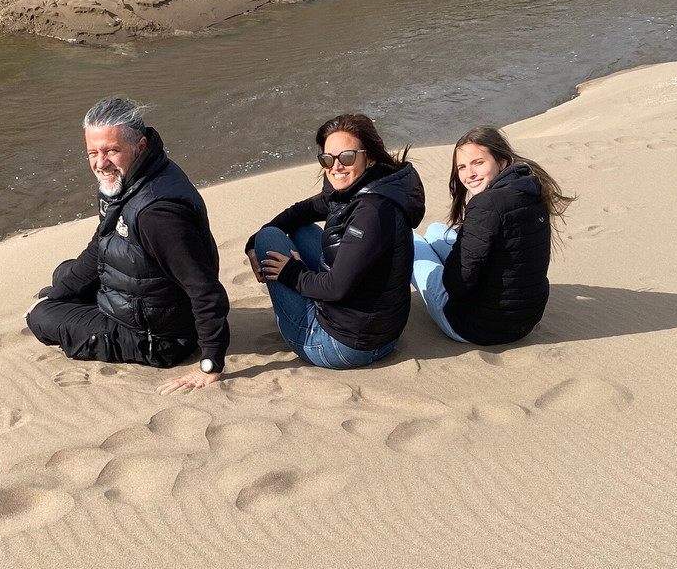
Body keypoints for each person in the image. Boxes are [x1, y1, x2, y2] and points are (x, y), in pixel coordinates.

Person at [26, 98, 230, 395]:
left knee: (40, 317)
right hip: (143, 295)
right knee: (62, 276)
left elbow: (206, 289)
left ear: (140, 146)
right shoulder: (129, 178)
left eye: (111, 151)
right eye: (93, 153)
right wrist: (58, 293)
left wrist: (209, 364)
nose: (100, 163)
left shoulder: (157, 214)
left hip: (158, 337)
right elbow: (101, 244)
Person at [245, 114, 425, 369]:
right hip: (378, 331)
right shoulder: (369, 188)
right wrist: (251, 243)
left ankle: (303, 317)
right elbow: (302, 211)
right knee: (300, 229)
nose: (336, 166)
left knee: (269, 238)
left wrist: (292, 273)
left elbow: (335, 288)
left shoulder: (371, 211)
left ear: (369, 157)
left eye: (347, 157)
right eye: (327, 159)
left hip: (342, 346)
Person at [411, 126, 575, 345]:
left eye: (478, 163)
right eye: (462, 167)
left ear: (502, 162)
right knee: (434, 231)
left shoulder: (486, 204)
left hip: (476, 327)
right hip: (525, 322)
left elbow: (457, 285)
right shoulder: (531, 190)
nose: (469, 174)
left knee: (412, 242)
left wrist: (448, 267)